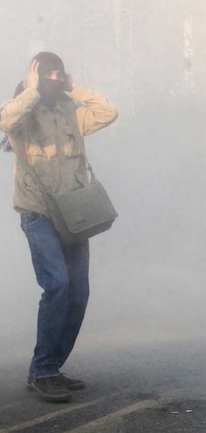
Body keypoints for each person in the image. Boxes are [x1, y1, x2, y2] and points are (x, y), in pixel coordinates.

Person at [0, 52, 118, 403]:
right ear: (35, 77)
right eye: (47, 73)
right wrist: (32, 90)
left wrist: (74, 86)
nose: (54, 79)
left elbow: (107, 113)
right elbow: (5, 122)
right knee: (58, 285)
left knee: (78, 294)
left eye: (58, 73)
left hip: (74, 214)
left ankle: (50, 365)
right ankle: (44, 372)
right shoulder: (22, 109)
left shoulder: (69, 110)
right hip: (38, 213)